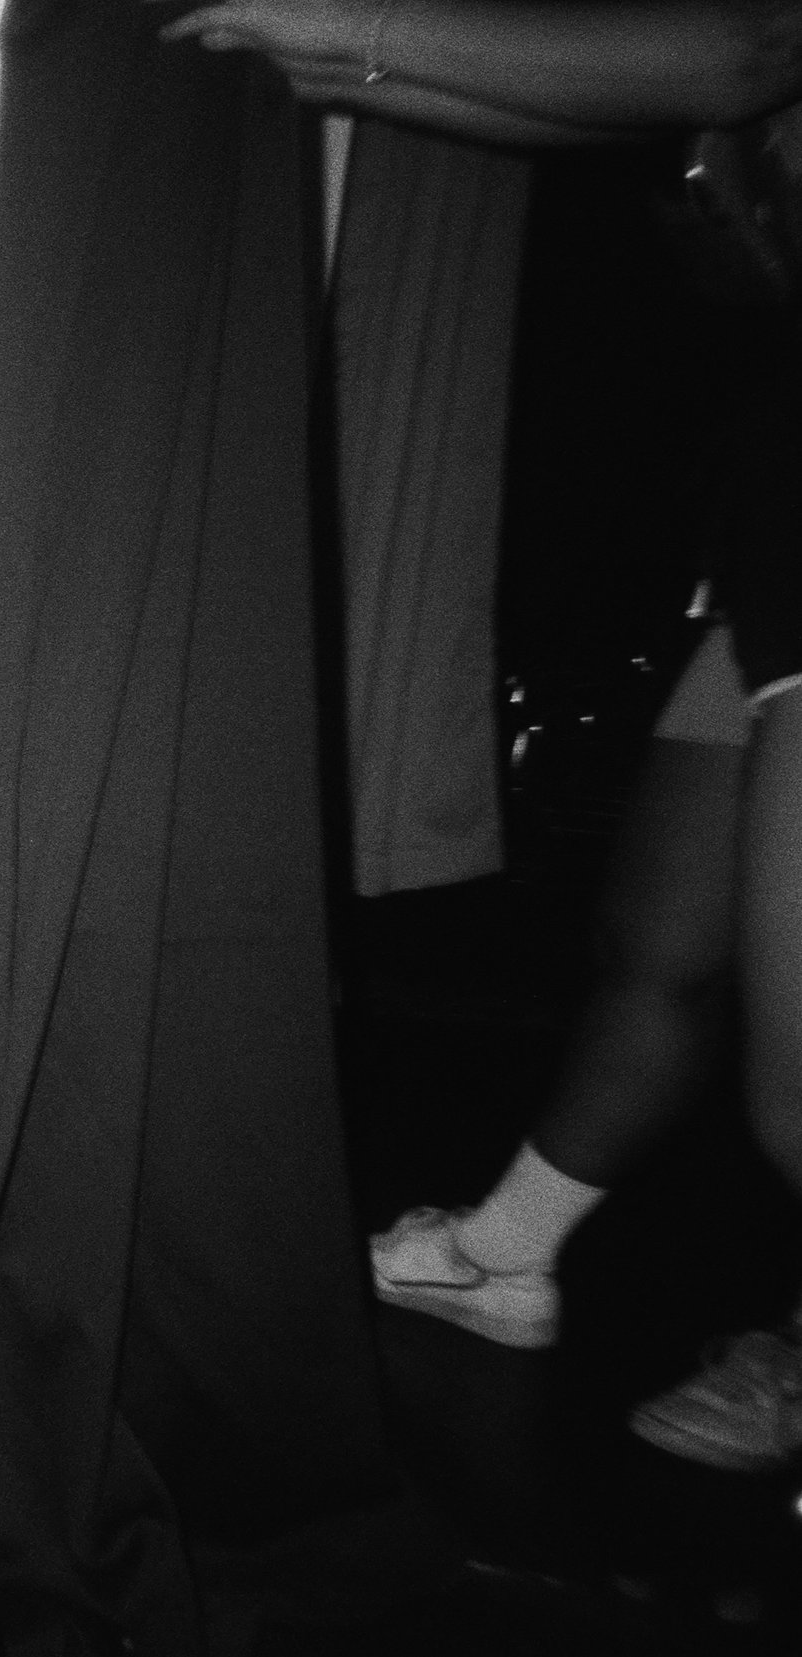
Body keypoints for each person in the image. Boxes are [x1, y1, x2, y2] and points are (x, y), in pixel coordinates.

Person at [167, 0, 802, 1470]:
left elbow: (749, 52)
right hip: (774, 513)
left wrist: (345, 29)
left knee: (798, 1094)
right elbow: (631, 111)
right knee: (665, 942)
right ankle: (508, 1254)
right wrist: (322, 62)